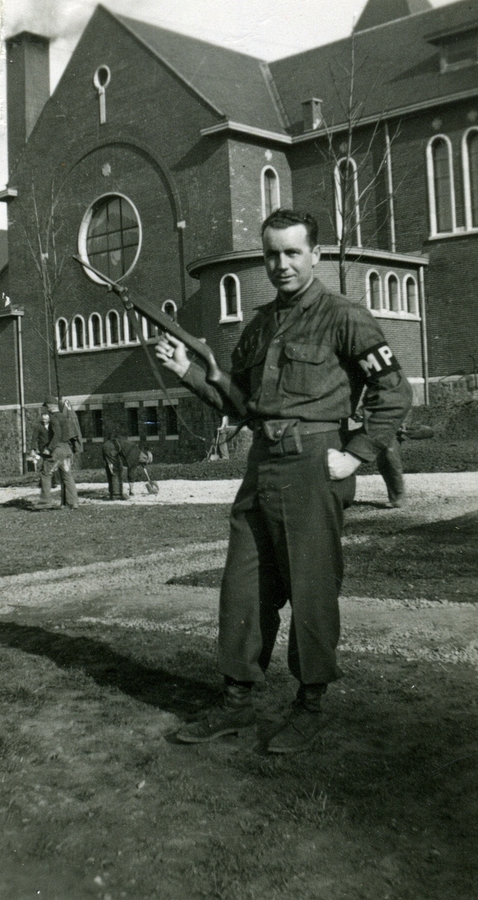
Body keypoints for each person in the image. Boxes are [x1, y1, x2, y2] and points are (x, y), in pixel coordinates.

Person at [155, 208, 412, 752]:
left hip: (315, 462)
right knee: (243, 586)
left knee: (310, 587)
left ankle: (310, 704)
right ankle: (237, 703)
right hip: (263, 463)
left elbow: (393, 392)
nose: (281, 265)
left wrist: (356, 454)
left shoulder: (345, 317)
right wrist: (187, 372)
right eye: (272, 254)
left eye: (293, 253)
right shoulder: (259, 325)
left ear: (314, 255)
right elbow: (242, 405)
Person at [35, 395, 80, 509]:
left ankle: (45, 502)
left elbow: (57, 435)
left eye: (46, 406)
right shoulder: (66, 418)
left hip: (58, 449)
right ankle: (73, 502)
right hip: (67, 449)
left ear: (50, 406)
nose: (46, 409)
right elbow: (74, 435)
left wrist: (48, 449)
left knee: (45, 473)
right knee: (67, 475)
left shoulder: (54, 418)